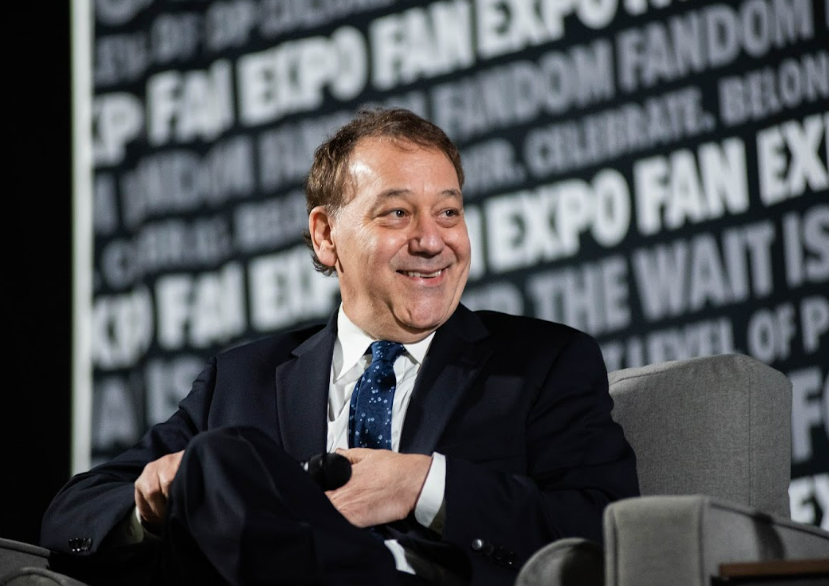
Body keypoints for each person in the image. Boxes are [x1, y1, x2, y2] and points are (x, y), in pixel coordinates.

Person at [41, 107, 639, 586]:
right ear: (326, 236)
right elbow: (74, 513)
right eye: (397, 213)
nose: (433, 240)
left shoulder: (541, 362)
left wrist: (422, 486)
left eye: (449, 211)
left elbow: (605, 527)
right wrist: (154, 504)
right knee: (220, 461)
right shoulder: (242, 379)